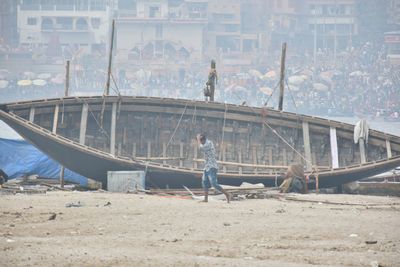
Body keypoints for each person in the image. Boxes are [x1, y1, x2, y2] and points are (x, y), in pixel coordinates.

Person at [196, 133, 230, 203]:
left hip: (212, 166)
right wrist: (199, 139)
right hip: (207, 166)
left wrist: (198, 139)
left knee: (213, 183)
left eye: (200, 141)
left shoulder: (208, 143)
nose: (200, 142)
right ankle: (206, 199)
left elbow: (201, 148)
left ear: (203, 140)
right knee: (204, 182)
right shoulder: (205, 143)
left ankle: (227, 194)